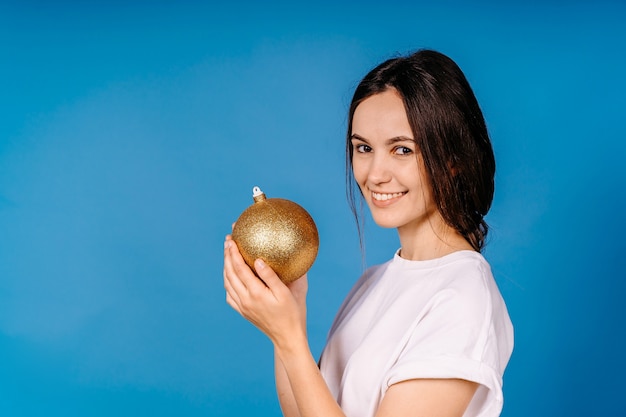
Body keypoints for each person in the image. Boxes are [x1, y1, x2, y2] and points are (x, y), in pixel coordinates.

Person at [223, 49, 514, 417]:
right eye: (363, 148)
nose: (375, 174)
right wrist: (288, 319)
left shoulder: (462, 299)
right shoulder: (373, 281)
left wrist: (291, 339)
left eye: (402, 150)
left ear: (454, 161)